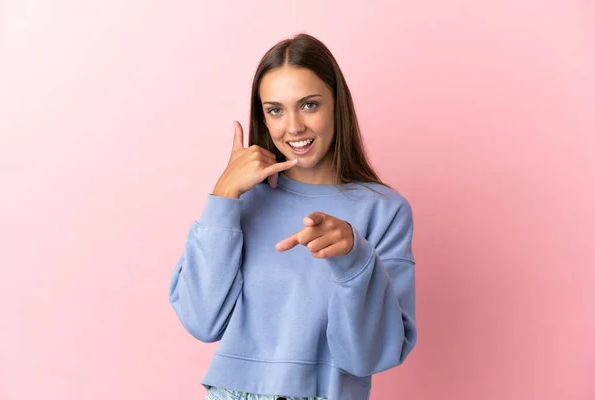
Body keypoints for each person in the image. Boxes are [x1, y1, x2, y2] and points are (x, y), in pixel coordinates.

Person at [169, 33, 417, 400]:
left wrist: (354, 258)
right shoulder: (243, 202)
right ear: (263, 119)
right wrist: (222, 198)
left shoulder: (383, 210)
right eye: (275, 110)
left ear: (337, 106)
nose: (294, 127)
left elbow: (367, 355)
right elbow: (202, 321)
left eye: (310, 105)